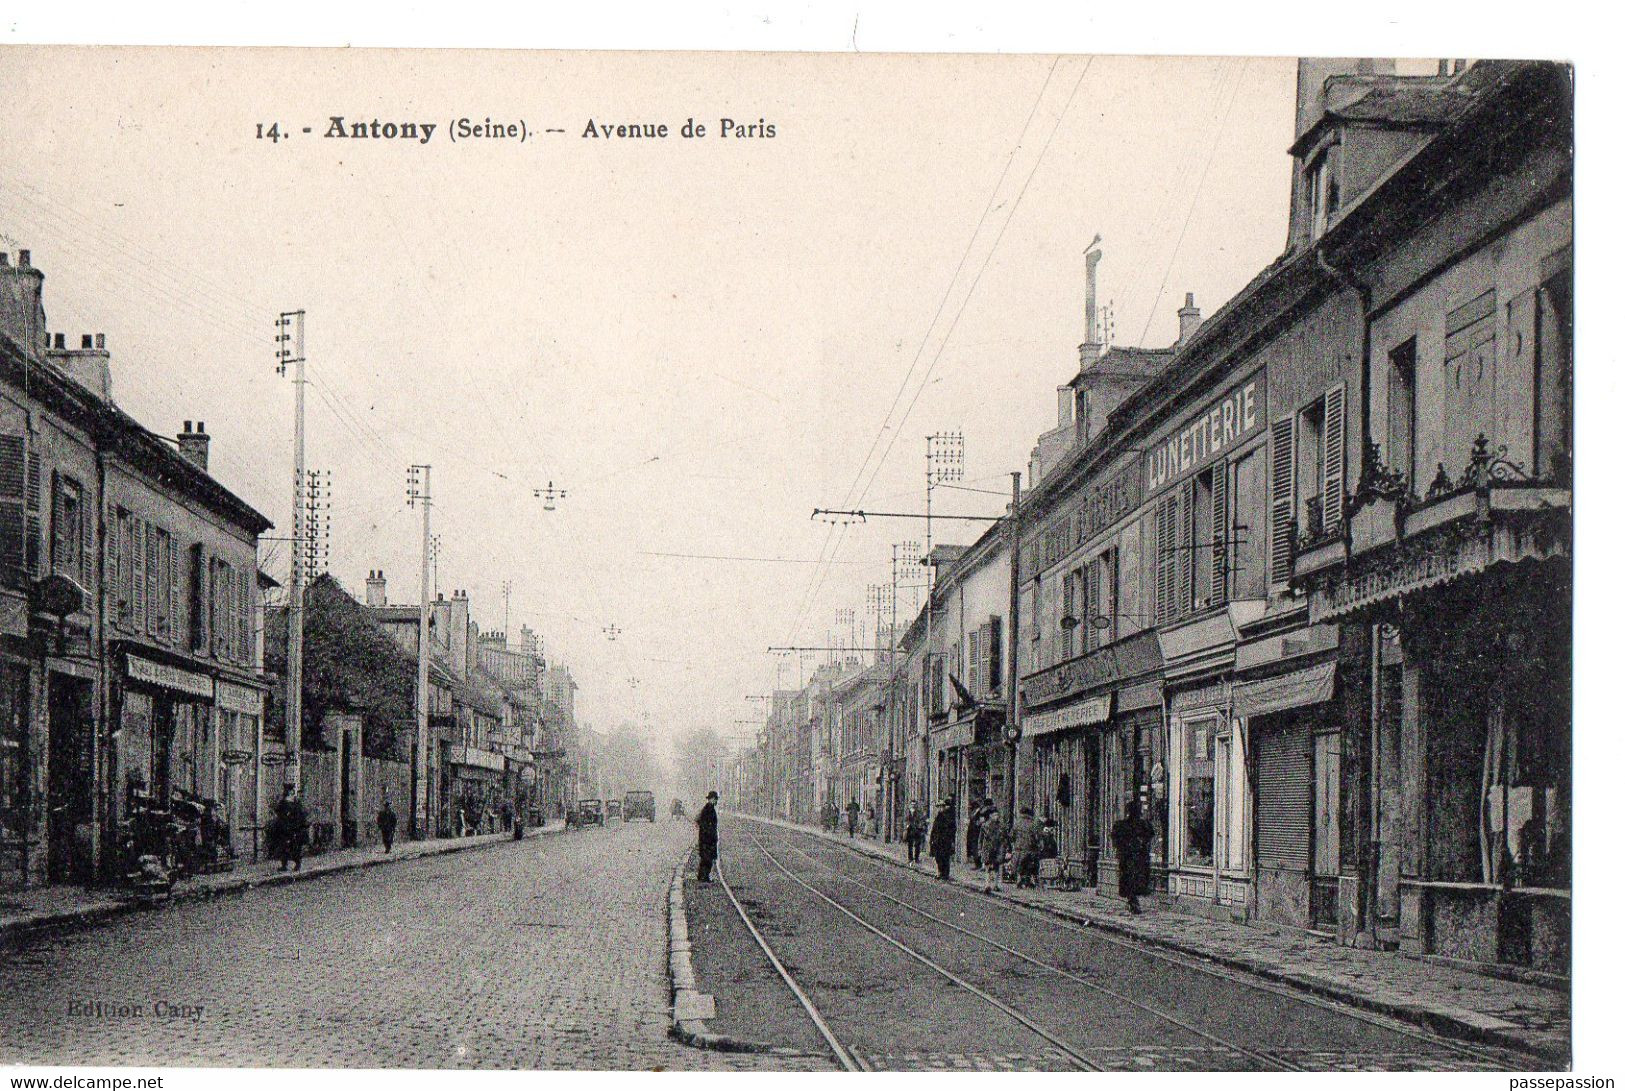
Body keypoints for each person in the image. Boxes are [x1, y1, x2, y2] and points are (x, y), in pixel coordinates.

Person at [1110, 799, 1156, 913]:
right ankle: (1133, 900)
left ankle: (1132, 899)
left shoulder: (1121, 825)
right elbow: (1150, 837)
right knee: (1136, 880)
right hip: (1139, 858)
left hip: (1129, 858)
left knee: (1130, 880)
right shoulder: (1144, 824)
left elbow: (1115, 840)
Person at [273, 784, 308, 872]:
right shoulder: (283, 802)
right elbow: (278, 812)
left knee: (294, 847)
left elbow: (300, 815)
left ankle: (297, 864)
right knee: (283, 847)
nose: (289, 792)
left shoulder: (295, 802)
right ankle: (284, 865)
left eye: (290, 790)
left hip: (293, 828)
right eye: (287, 790)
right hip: (284, 828)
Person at [1010, 806, 1041, 888]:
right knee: (1029, 864)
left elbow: (1012, 835)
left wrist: (1014, 843)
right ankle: (1027, 881)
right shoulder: (1033, 824)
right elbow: (1036, 836)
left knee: (1019, 864)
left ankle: (1019, 879)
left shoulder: (1017, 823)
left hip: (1018, 847)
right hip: (1030, 847)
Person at [980, 804, 1007, 891]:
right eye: (994, 815)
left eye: (997, 815)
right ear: (990, 816)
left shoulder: (1001, 826)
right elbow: (980, 839)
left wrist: (1005, 848)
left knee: (997, 867)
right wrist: (980, 849)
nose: (996, 817)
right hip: (987, 848)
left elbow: (1004, 838)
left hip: (998, 848)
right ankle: (987, 884)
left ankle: (996, 884)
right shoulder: (985, 826)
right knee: (987, 866)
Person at [928, 799, 955, 880]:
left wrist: (949, 839)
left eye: (941, 807)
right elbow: (934, 829)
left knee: (945, 857)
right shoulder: (938, 816)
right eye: (938, 807)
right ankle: (940, 872)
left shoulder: (947, 817)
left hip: (945, 841)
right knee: (938, 857)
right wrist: (932, 838)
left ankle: (945, 874)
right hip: (937, 841)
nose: (940, 809)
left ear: (944, 807)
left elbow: (951, 829)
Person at [696, 790, 719, 882]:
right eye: (715, 799)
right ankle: (704, 877)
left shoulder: (708, 808)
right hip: (707, 838)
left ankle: (702, 876)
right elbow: (705, 823)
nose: (716, 801)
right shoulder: (708, 809)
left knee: (705, 858)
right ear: (712, 799)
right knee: (707, 859)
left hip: (706, 837)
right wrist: (710, 834)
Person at [966, 798, 986, 869]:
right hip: (972, 832)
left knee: (977, 848)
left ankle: (979, 864)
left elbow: (980, 822)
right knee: (974, 847)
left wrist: (976, 824)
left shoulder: (980, 812)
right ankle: (976, 863)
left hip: (977, 832)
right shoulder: (974, 812)